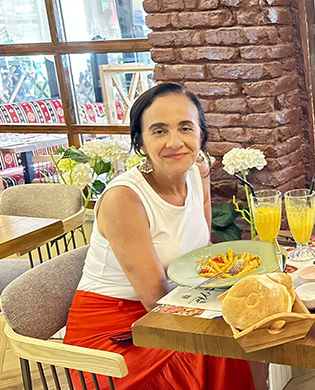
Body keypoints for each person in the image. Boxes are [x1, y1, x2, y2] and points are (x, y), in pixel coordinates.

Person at [63, 83, 262, 390]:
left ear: (201, 134)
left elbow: (204, 250)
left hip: (178, 303)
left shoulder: (199, 172)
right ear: (141, 142)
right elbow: (155, 300)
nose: (174, 142)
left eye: (185, 127)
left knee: (245, 334)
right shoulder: (124, 199)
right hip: (115, 334)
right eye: (158, 131)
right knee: (218, 346)